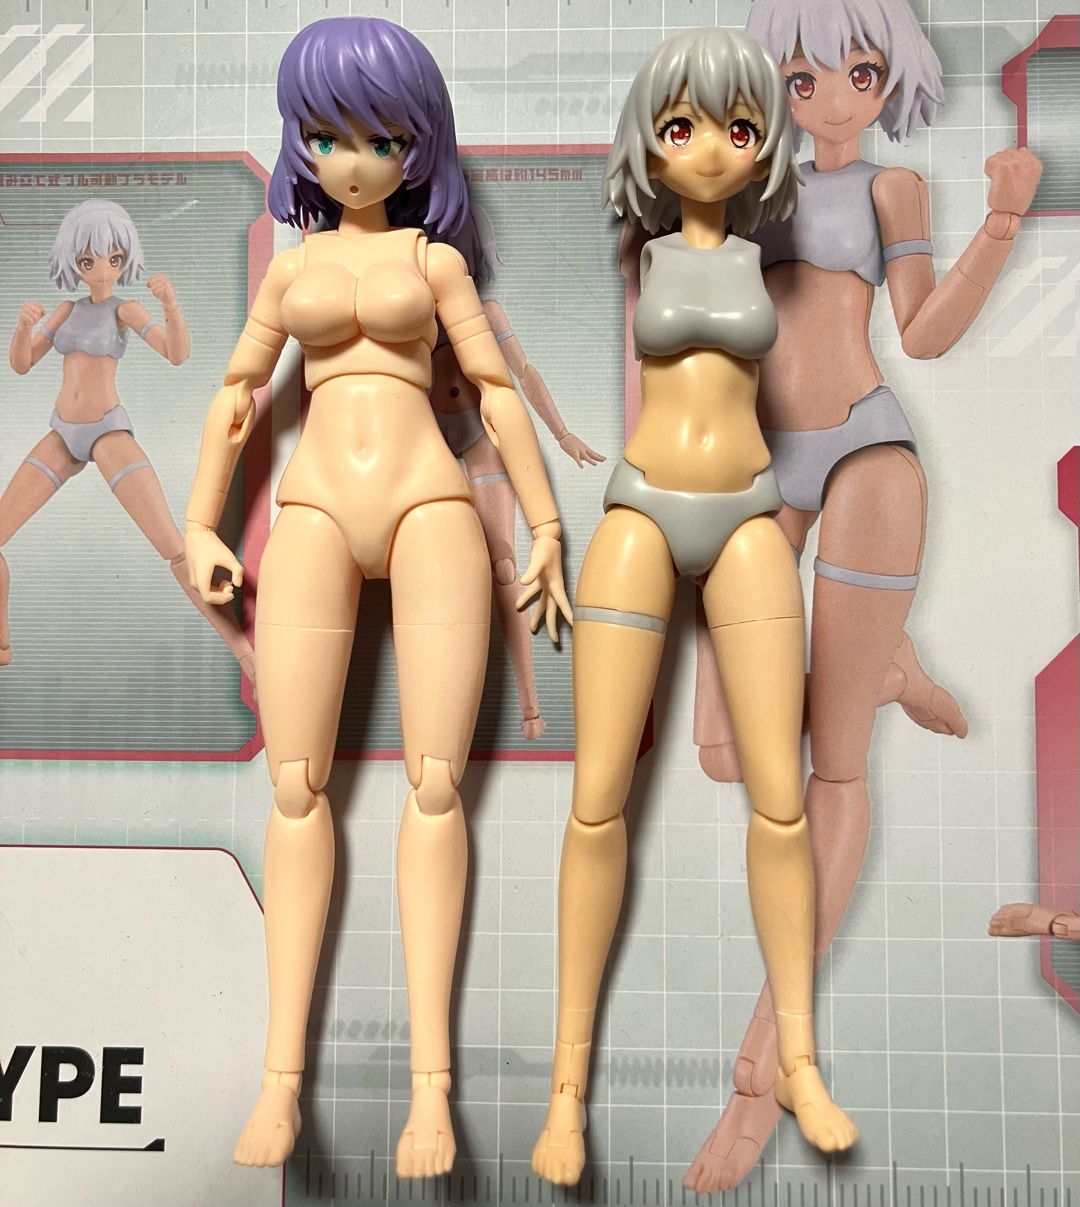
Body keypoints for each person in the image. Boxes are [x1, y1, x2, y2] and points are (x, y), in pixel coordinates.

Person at [182, 18, 571, 1177]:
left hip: (429, 505)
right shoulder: (291, 266)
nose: (352, 162)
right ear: (299, 139)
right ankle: (281, 1081)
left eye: (382, 139)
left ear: (418, 147)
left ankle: (431, 1093)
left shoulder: (433, 263)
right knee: (295, 788)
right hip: (311, 510)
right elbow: (238, 394)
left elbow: (495, 394)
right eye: (326, 136)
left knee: (435, 787)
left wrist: (547, 523)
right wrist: (200, 522)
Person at [685, 0, 1043, 1192]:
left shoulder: (892, 190)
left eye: (860, 70)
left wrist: (1001, 220)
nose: (833, 95)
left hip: (867, 456)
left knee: (831, 776)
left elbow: (923, 334)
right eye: (804, 76)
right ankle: (875, 660)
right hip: (759, 471)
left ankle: (764, 1068)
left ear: (891, 80)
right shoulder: (743, 186)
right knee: (725, 754)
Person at [531, 27, 857, 1188]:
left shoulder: (772, 260)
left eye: (738, 125)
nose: (711, 147)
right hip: (642, 510)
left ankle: (799, 1061)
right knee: (596, 801)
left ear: (764, 141)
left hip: (749, 512)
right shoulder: (649, 252)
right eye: (682, 126)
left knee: (782, 800)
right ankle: (566, 1090)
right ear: (651, 143)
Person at [1, 198, 255, 681]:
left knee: (174, 549)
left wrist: (171, 306)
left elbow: (175, 354)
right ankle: (2, 641)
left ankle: (244, 653)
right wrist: (22, 328)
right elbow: (22, 363)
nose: (102, 269)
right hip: (62, 431)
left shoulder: (126, 310)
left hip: (107, 430)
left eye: (114, 258)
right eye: (88, 260)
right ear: (74, 261)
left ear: (124, 260)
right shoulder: (65, 311)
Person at [431, 205, 603, 738]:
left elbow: (524, 374)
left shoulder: (488, 313)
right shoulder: (404, 317)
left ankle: (529, 703)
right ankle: (443, 701)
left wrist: (562, 433)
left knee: (503, 565)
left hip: (482, 442)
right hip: (427, 447)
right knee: (435, 571)